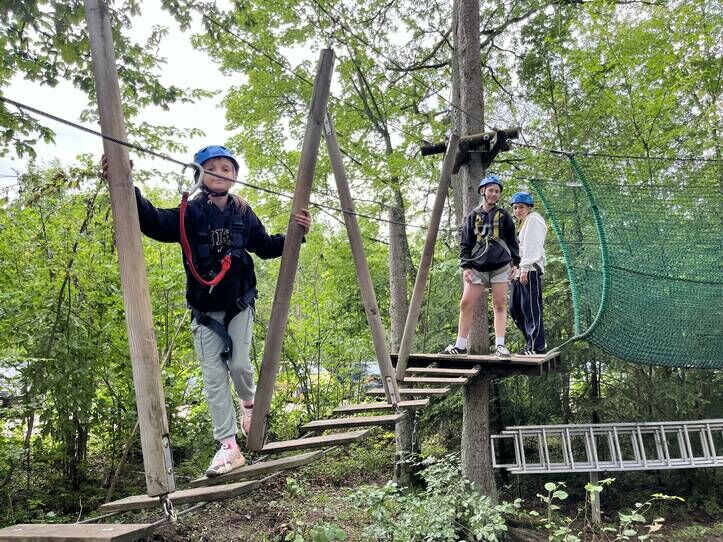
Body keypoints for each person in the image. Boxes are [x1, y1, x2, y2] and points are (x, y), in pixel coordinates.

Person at [104, 145, 311, 477]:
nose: (219, 173)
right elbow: (153, 221)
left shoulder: (243, 212)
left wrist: (296, 235)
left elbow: (266, 246)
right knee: (214, 378)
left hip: (239, 303)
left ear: (235, 176)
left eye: (226, 168)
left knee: (240, 366)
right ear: (199, 175)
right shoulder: (190, 213)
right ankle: (228, 446)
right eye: (211, 168)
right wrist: (126, 182)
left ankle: (249, 404)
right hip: (205, 312)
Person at [441, 174, 520, 358]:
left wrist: (516, 263)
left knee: (499, 304)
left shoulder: (504, 216)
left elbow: (512, 241)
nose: (494, 194)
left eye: (497, 191)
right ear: (483, 191)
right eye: (491, 190)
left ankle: (500, 346)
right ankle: (460, 346)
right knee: (466, 304)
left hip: (500, 266)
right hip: (477, 267)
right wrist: (466, 267)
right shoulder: (473, 216)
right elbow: (465, 243)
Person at [509, 191, 547, 355]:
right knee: (515, 308)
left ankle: (536, 347)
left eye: (521, 207)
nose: (518, 211)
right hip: (520, 271)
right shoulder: (523, 223)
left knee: (530, 307)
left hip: (530, 269)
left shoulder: (533, 220)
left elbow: (533, 246)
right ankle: (531, 342)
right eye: (515, 208)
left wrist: (525, 268)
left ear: (529, 208)